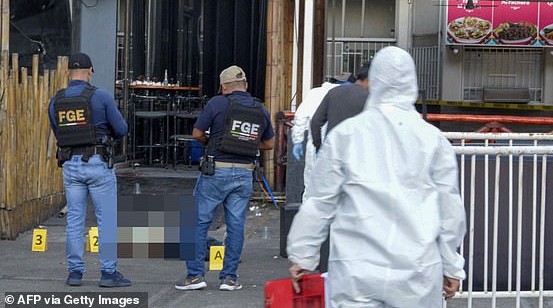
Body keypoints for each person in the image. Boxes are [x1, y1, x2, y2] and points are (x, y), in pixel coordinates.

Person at [287, 47, 466, 308]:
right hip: (416, 271)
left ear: (375, 81)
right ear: (412, 83)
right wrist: (452, 266)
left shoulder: (345, 135)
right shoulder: (433, 140)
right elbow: (450, 210)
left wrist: (303, 256)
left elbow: (319, 201)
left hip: (355, 270)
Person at [175, 65, 275, 292]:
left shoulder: (217, 103)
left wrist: (212, 143)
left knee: (197, 222)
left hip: (216, 171)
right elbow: (269, 144)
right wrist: (246, 142)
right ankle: (229, 278)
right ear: (246, 86)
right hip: (244, 172)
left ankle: (195, 276)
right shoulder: (260, 109)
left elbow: (197, 134)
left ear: (224, 87)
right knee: (236, 225)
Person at [48, 52, 130, 287]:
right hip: (97, 163)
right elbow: (121, 129)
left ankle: (75, 273)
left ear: (67, 73)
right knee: (106, 220)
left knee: (74, 220)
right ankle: (108, 273)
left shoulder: (56, 100)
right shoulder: (101, 96)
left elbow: (58, 132)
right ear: (90, 71)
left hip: (70, 165)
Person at [291, 74, 349, 195]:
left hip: (315, 145)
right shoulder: (346, 95)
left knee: (312, 184)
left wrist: (298, 141)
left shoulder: (315, 93)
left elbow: (301, 117)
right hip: (338, 147)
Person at [310, 62, 371, 152]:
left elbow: (315, 122)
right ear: (368, 79)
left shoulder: (333, 92)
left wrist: (319, 147)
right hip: (355, 153)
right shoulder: (369, 98)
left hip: (331, 151)